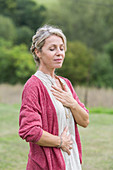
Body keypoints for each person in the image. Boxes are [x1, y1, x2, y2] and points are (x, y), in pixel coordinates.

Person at [19, 25, 89, 170]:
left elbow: (85, 120)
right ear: (38, 52)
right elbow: (29, 130)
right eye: (52, 49)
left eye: (62, 48)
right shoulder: (34, 86)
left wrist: (72, 103)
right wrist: (60, 141)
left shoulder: (65, 84)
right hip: (47, 165)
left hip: (72, 161)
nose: (59, 53)